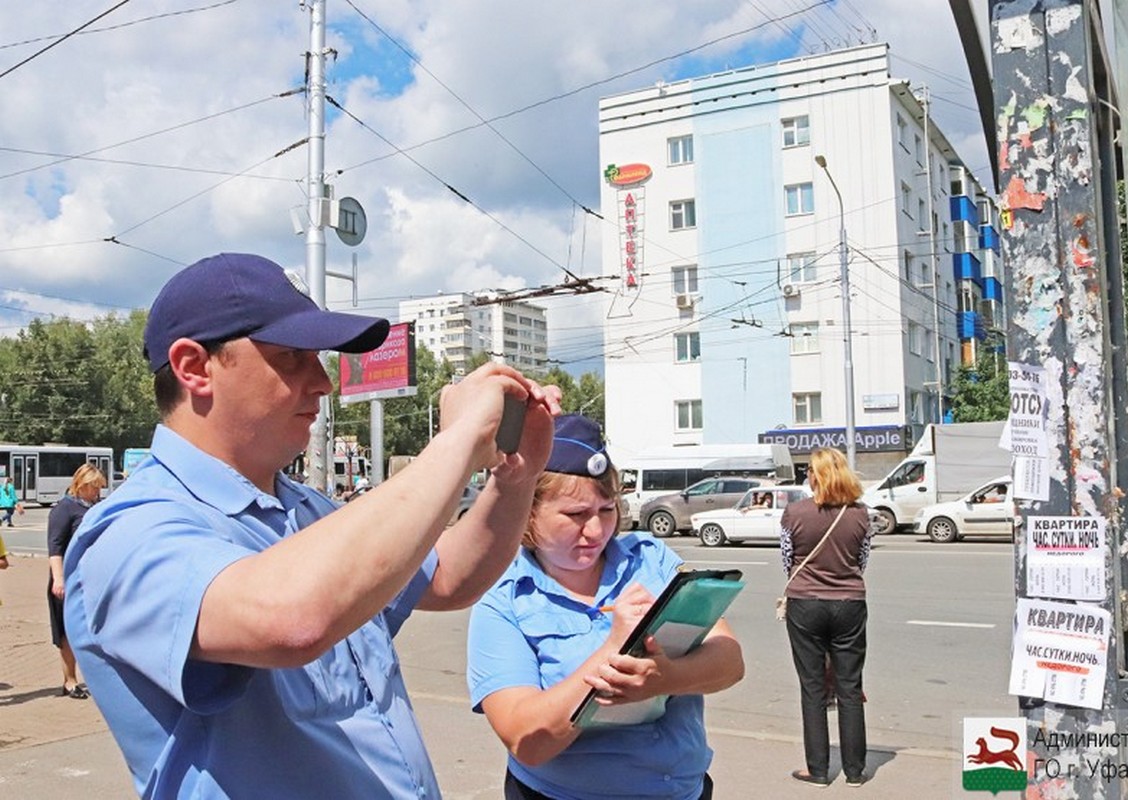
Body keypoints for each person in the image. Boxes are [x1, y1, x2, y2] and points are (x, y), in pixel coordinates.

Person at [63, 252, 561, 799]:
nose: (323, 382)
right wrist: (458, 441)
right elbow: (289, 620)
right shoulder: (128, 531)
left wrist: (516, 479)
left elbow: (449, 578)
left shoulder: (304, 507)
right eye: (292, 357)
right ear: (193, 367)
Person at [467, 415, 745, 800]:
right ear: (528, 512)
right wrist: (611, 654)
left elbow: (730, 662)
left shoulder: (650, 560)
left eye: (606, 509)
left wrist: (664, 678)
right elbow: (526, 740)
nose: (596, 531)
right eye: (576, 515)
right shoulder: (505, 597)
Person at [779, 447, 872, 788]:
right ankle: (855, 771)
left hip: (805, 603)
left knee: (813, 687)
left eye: (809, 472)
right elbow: (861, 561)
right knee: (850, 687)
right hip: (850, 603)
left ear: (816, 476)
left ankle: (817, 770)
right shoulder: (862, 514)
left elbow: (787, 559)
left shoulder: (794, 513)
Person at [49, 463, 107, 699]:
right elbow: (55, 546)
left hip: (92, 579)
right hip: (68, 579)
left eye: (99, 488)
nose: (97, 492)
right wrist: (58, 579)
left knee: (92, 630)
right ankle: (70, 680)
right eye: (93, 488)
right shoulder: (64, 508)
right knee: (67, 632)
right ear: (81, 485)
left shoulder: (95, 507)